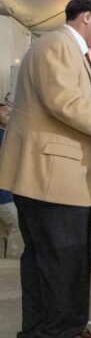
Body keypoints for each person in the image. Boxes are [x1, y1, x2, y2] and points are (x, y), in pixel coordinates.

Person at [0, 0, 91, 338]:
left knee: (43, 258)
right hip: (52, 173)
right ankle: (62, 335)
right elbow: (65, 104)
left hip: (44, 172)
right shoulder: (58, 45)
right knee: (64, 257)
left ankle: (38, 334)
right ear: (87, 17)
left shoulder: (60, 48)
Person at [0, 103, 23, 259]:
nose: (10, 116)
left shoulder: (6, 134)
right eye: (6, 113)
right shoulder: (4, 136)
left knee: (2, 231)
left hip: (7, 192)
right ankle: (13, 265)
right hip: (4, 194)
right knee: (17, 225)